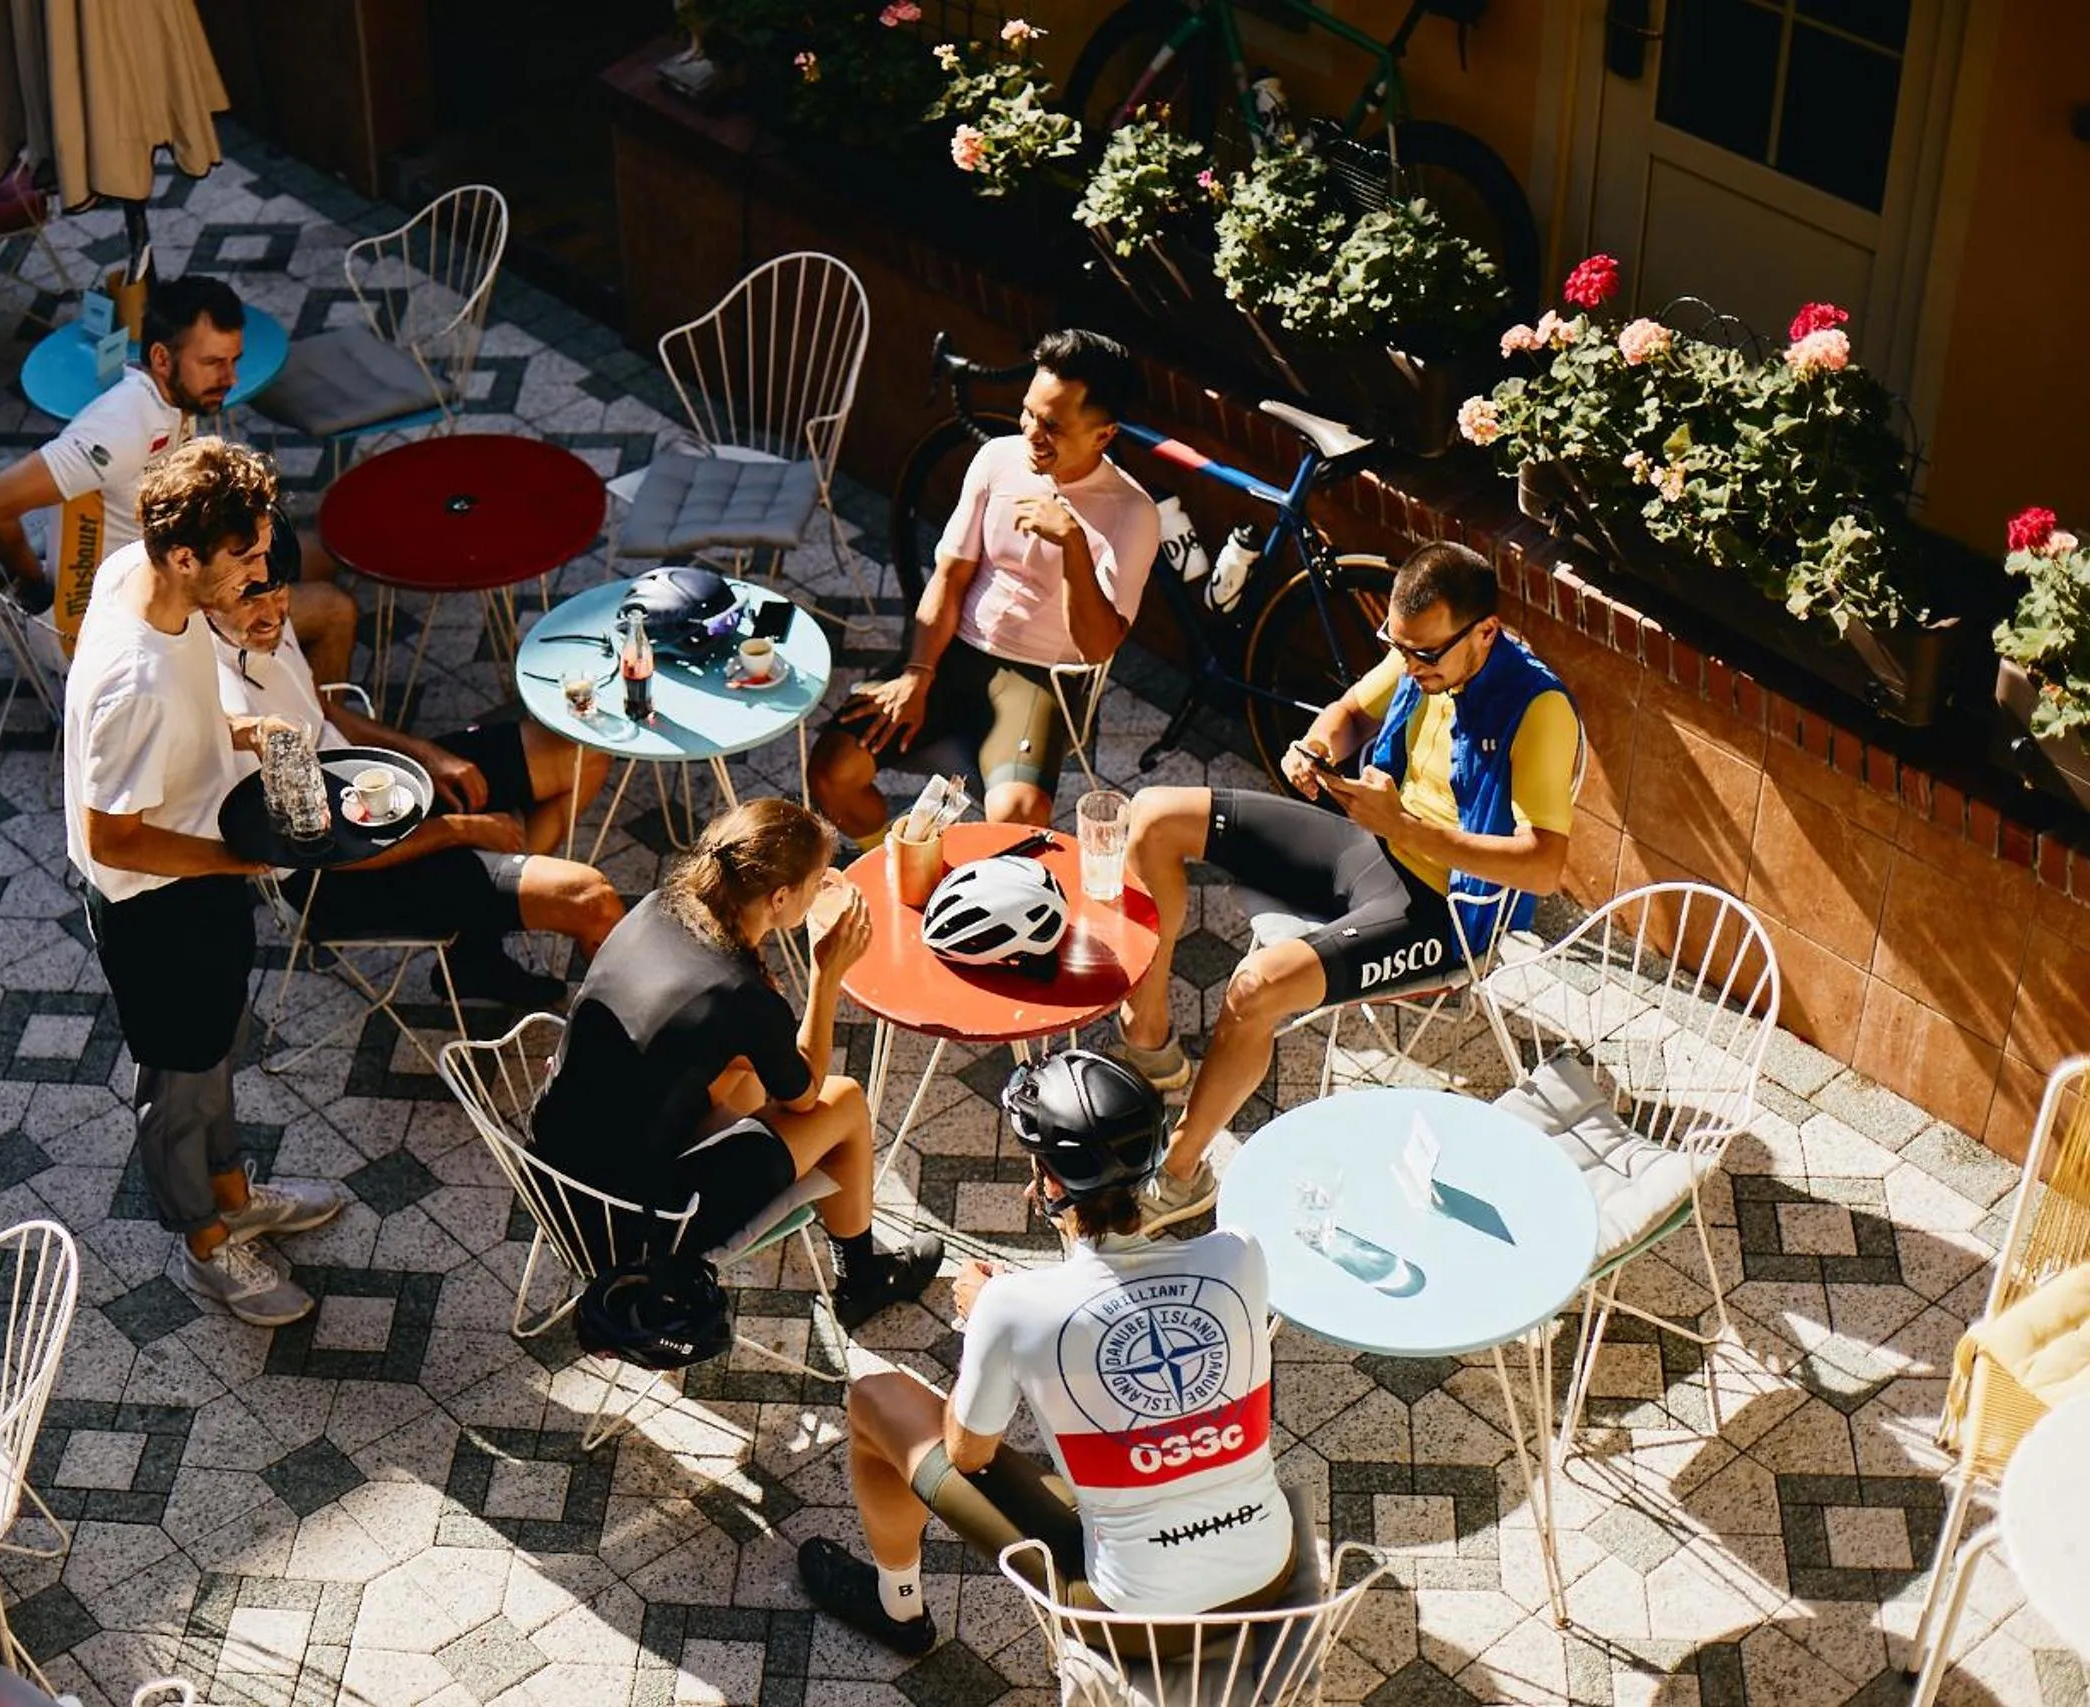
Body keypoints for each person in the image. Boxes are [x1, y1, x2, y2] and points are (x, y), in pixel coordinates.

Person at [1115, 541, 1579, 1230]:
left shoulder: (1537, 710)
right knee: (1153, 816)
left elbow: (1544, 864)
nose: (1409, 664)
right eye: (1398, 644)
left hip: (1440, 910)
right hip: (1368, 844)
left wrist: (1411, 829)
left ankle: (1181, 1174)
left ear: (1485, 631)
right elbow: (1351, 713)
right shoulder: (1419, 653)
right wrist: (1317, 745)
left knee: (1254, 986)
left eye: (1424, 654)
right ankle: (1148, 1038)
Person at [797, 1049, 1292, 1656]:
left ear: (1050, 1183)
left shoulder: (1011, 1305)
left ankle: (895, 1607)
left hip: (1133, 1623)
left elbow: (968, 1452)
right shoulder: (1239, 1255)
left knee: (875, 1401)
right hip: (1271, 1575)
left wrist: (987, 1322)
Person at [63, 436, 346, 1329]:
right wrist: (234, 862)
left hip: (198, 874)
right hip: (157, 903)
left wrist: (240, 726)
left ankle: (234, 1193)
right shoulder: (133, 684)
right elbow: (113, 834)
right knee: (180, 1080)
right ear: (186, 555)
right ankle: (206, 1245)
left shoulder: (132, 575)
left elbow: (186, 694)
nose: (266, 573)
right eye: (248, 558)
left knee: (215, 1048)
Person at [531, 798, 943, 1328]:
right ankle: (861, 1280)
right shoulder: (740, 994)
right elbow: (805, 1093)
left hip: (555, 1181)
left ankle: (815, 1216)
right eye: (817, 881)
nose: (824, 888)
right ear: (778, 898)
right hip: (633, 1229)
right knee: (842, 1104)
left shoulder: (661, 905)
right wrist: (827, 973)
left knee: (743, 1072)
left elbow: (729, 1027)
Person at [206, 516, 623, 1006]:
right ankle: (638, 1052)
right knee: (591, 901)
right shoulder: (230, 708)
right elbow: (325, 849)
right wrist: (461, 830)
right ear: (211, 598)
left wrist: (425, 753)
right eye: (251, 597)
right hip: (339, 874)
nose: (273, 613)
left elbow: (320, 709)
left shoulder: (266, 626)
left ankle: (476, 950)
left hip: (377, 785)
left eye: (280, 592)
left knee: (583, 756)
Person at [809, 329, 1160, 838]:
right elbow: (950, 578)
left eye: (1053, 427)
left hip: (1039, 677)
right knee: (831, 769)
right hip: (954, 653)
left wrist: (1074, 548)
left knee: (1016, 819)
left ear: (1103, 435)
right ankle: (896, 866)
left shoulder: (1133, 513)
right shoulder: (998, 458)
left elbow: (1098, 646)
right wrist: (917, 672)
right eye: (1028, 413)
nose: (1031, 433)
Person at [0, 274, 359, 684]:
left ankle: (275, 688)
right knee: (334, 610)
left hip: (176, 578)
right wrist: (36, 585)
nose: (231, 378)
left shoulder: (168, 400)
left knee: (315, 554)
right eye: (213, 364)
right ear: (162, 359)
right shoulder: (120, 428)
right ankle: (315, 735)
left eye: (233, 361)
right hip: (121, 631)